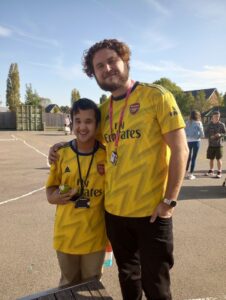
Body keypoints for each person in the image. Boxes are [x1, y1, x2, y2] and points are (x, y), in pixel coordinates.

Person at [49, 39, 189, 300]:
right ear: (94, 74)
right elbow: (84, 136)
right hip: (114, 214)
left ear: (125, 60)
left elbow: (181, 150)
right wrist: (59, 146)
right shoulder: (102, 111)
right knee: (127, 278)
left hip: (152, 213)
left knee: (156, 285)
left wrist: (169, 201)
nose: (107, 68)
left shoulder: (156, 96)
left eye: (111, 60)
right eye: (99, 66)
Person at [46, 98, 107, 287]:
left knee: (91, 286)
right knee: (67, 285)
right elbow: (50, 191)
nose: (82, 126)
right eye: (78, 121)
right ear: (71, 122)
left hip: (95, 237)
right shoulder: (62, 154)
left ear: (97, 125)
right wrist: (54, 197)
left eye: (88, 121)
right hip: (66, 236)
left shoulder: (106, 155)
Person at [205, 110, 226, 178]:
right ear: (212, 117)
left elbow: (225, 134)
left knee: (219, 159)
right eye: (215, 116)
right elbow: (206, 133)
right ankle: (211, 170)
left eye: (218, 116)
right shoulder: (209, 124)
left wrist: (220, 134)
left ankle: (219, 172)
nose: (217, 118)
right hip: (211, 145)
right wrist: (209, 136)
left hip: (219, 145)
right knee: (211, 159)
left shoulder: (221, 125)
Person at [185, 110, 205, 180]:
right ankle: (191, 174)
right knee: (194, 158)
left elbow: (184, 131)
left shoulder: (187, 122)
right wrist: (200, 136)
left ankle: (185, 172)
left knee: (188, 157)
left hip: (188, 141)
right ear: (197, 115)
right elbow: (202, 133)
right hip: (196, 141)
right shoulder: (199, 123)